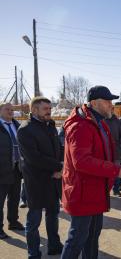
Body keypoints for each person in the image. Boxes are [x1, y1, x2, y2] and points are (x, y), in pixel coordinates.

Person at [61, 86, 121, 258]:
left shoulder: (98, 122)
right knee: (77, 239)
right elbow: (82, 162)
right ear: (94, 103)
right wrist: (116, 170)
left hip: (95, 190)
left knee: (92, 238)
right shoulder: (81, 125)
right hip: (83, 192)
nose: (111, 105)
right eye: (107, 101)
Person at [17, 97, 64, 258]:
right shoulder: (25, 129)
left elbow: (58, 148)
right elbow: (34, 158)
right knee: (33, 221)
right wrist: (59, 167)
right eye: (46, 109)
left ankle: (54, 245)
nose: (49, 111)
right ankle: (34, 253)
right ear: (34, 110)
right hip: (36, 182)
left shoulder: (50, 125)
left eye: (50, 108)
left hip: (54, 180)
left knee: (53, 216)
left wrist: (62, 163)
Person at [0, 103, 24, 239]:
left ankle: (13, 222)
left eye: (12, 110)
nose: (10, 112)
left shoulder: (17, 126)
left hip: (16, 169)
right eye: (7, 109)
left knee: (14, 198)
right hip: (2, 169)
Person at [105, 109, 121, 197]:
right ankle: (105, 191)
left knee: (116, 170)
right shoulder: (101, 120)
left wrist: (119, 146)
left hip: (116, 151)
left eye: (111, 110)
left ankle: (116, 190)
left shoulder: (118, 121)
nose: (110, 111)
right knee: (104, 171)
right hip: (104, 151)